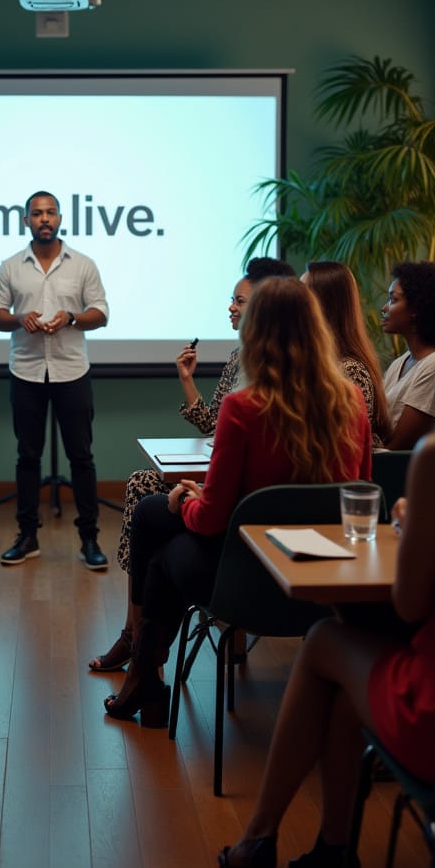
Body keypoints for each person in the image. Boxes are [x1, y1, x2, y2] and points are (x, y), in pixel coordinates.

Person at [217, 264, 435, 868]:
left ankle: (260, 839)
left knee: (328, 641)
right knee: (352, 678)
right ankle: (329, 850)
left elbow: (408, 603)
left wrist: (413, 522)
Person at [104, 277, 372, 727]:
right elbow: (359, 493)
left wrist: (186, 501)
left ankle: (145, 671)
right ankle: (142, 673)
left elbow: (210, 523)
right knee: (157, 520)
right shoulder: (352, 401)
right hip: (326, 584)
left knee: (157, 523)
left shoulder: (245, 406)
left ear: (255, 332)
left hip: (246, 583)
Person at [88, 256, 295, 673]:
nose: (232, 308)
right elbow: (217, 425)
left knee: (149, 501)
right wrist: (187, 381)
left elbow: (230, 434)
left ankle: (139, 639)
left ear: (266, 308)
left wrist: (189, 499)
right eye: (231, 300)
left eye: (240, 301)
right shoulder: (240, 358)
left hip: (237, 501)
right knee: (142, 483)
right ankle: (135, 631)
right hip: (237, 490)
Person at [0, 190, 110, 568]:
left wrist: (71, 317)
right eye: (37, 214)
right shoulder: (10, 266)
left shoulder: (83, 264)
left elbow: (101, 313)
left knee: (82, 458)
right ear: (25, 221)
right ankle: (28, 537)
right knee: (28, 457)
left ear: (60, 218)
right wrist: (17, 318)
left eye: (50, 212)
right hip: (25, 371)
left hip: (72, 370)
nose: (44, 219)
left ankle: (89, 539)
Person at [302, 260, 391, 448]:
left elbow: (343, 449)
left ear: (322, 305)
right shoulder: (309, 362)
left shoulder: (350, 371)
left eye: (301, 295)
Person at [380, 260, 435, 450]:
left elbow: (398, 446)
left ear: (416, 309)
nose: (385, 308)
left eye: (393, 300)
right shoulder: (400, 362)